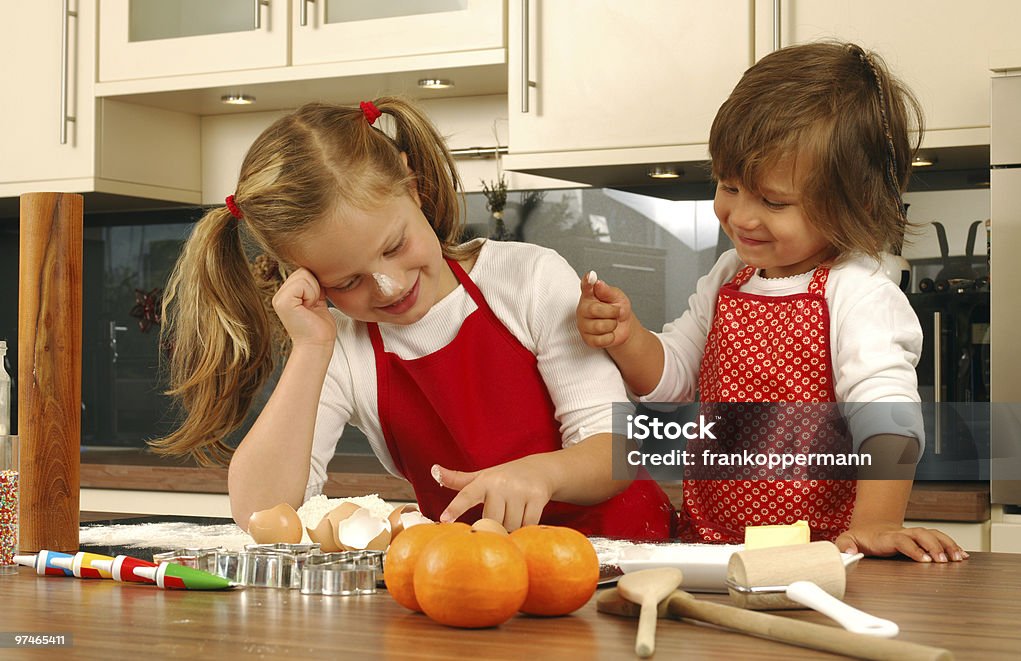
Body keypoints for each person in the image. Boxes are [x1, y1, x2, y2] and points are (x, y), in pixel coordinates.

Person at [151, 97, 677, 540]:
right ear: (304, 278)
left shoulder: (528, 279)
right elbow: (260, 511)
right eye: (347, 282)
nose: (389, 285)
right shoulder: (343, 346)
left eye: (395, 245)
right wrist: (312, 348)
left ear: (413, 185)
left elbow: (617, 448)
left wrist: (539, 475)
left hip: (622, 564)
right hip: (475, 588)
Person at [576, 42, 967, 562]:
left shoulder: (858, 291)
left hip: (821, 557)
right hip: (711, 549)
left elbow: (887, 417)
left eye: (774, 201)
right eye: (729, 185)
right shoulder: (728, 278)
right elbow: (670, 384)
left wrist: (876, 524)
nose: (741, 216)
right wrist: (629, 339)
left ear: (857, 202)